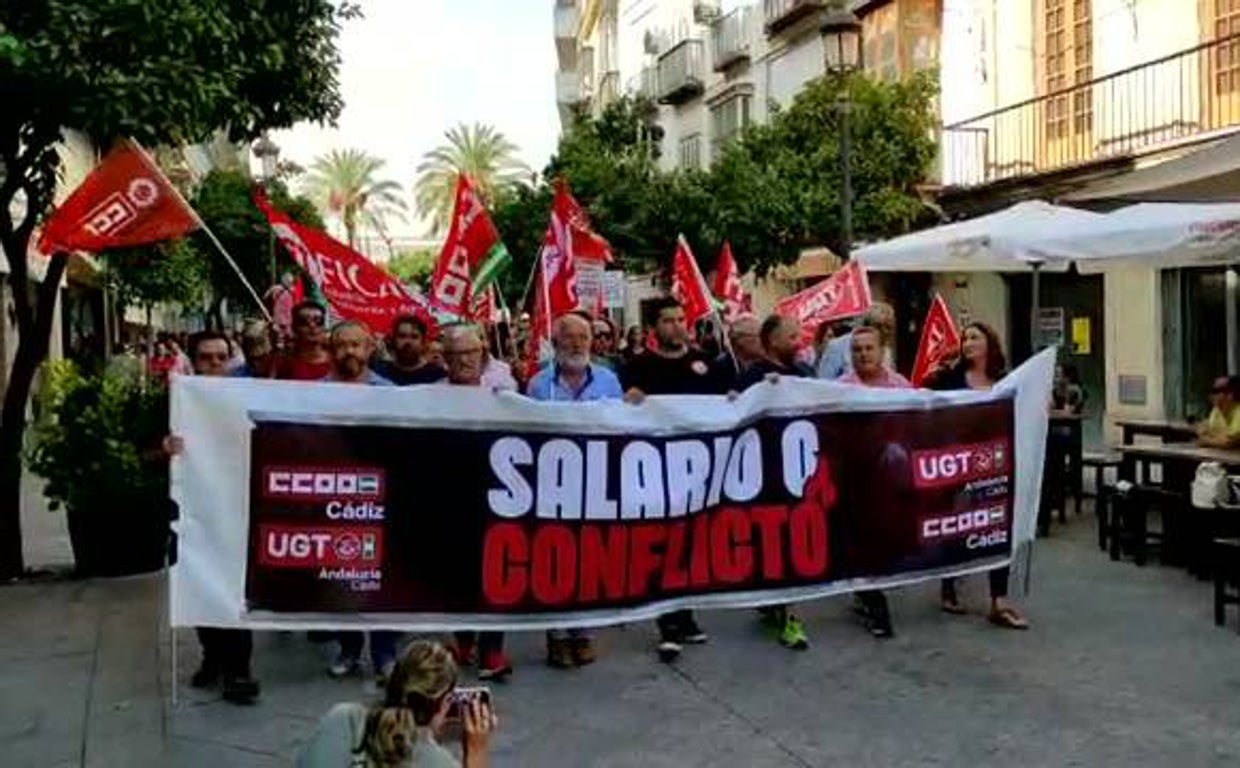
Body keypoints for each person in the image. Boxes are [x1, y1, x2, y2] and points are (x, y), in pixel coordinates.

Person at [166, 330, 261, 705]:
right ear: (193, 360)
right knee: (199, 583)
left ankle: (239, 668)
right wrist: (163, 448)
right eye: (207, 358)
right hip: (191, 511)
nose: (216, 365)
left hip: (237, 507)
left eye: (223, 357)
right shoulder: (173, 400)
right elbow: (137, 450)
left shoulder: (247, 398)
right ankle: (213, 656)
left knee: (235, 589)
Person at [622, 298, 716, 662]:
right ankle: (668, 623)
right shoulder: (638, 366)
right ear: (654, 328)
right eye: (668, 320)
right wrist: (629, 401)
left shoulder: (705, 364)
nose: (677, 325)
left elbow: (727, 405)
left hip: (697, 470)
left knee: (691, 545)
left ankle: (686, 615)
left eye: (681, 319)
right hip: (656, 468)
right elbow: (622, 413)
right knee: (662, 546)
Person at [527, 313, 623, 668]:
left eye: (584, 337)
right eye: (569, 338)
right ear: (555, 343)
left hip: (595, 485)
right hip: (552, 486)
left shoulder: (609, 381)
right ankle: (556, 635)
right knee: (554, 560)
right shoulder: (538, 386)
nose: (578, 344)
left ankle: (583, 633)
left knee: (588, 560)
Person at [924, 321, 1029, 630]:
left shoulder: (1005, 379)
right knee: (957, 525)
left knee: (998, 526)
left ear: (989, 343)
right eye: (964, 338)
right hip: (957, 463)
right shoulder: (950, 379)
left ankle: (999, 600)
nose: (967, 342)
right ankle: (949, 586)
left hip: (996, 464)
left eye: (974, 337)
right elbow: (925, 405)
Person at [321, 321, 400, 681]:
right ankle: (349, 649)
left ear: (370, 349)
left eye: (357, 345)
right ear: (330, 349)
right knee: (342, 577)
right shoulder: (311, 393)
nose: (349, 352)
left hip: (378, 496)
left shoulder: (390, 393)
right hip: (335, 498)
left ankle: (384, 654)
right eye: (342, 345)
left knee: (381, 579)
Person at [731, 315, 812, 650]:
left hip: (800, 472)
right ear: (773, 342)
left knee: (791, 543)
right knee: (773, 541)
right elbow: (732, 412)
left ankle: (787, 610)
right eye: (792, 336)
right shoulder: (752, 375)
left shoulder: (806, 375)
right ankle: (779, 604)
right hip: (764, 475)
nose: (800, 341)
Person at [442, 324, 515, 681]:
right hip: (450, 499)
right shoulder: (428, 396)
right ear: (445, 360)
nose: (464, 361)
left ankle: (492, 650)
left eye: (471, 353)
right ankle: (465, 640)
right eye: (456, 355)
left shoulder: (503, 394)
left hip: (496, 499)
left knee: (495, 573)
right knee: (456, 574)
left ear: (483, 356)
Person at [297, 640, 498, 768]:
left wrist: (427, 736)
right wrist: (476, 753)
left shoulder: (342, 719)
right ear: (444, 703)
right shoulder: (438, 762)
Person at [837, 324, 910, 639]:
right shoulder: (839, 388)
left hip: (892, 481)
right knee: (861, 539)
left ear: (882, 351)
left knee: (883, 541)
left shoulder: (900, 386)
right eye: (857, 349)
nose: (863, 354)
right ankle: (875, 603)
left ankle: (866, 589)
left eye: (869, 348)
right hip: (854, 480)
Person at [816, 302, 896, 380]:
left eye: (889, 327)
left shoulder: (886, 350)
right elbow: (824, 382)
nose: (885, 331)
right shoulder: (837, 346)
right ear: (867, 325)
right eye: (880, 326)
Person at [374, 314, 446, 385]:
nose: (408, 342)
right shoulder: (380, 373)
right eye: (402, 336)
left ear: (423, 342)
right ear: (393, 340)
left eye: (414, 337)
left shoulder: (437, 376)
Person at [277, 301, 334, 381]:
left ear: (324, 327)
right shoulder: (284, 362)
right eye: (304, 321)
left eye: (318, 321)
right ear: (295, 328)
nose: (312, 326)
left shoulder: (337, 360)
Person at [1198, 375, 1240, 448]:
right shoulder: (1216, 411)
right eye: (1210, 392)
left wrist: (1207, 441)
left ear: (1230, 395)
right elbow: (1205, 432)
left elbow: (1230, 442)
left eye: (1215, 392)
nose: (1211, 396)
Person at [265, 271, 298, 341]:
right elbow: (266, 298)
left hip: (288, 321)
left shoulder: (291, 292)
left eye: (290, 281)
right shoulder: (276, 289)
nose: (289, 282)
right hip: (278, 321)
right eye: (288, 281)